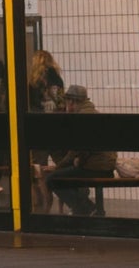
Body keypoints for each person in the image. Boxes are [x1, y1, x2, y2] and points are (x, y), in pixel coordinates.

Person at [46, 84, 116, 217]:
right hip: (105, 165)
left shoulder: (81, 117)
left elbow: (75, 151)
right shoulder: (93, 113)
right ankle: (88, 208)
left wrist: (57, 168)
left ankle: (85, 209)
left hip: (96, 167)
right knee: (69, 173)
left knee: (52, 179)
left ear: (71, 102)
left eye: (67, 102)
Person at [28, 47, 68, 210]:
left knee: (38, 167)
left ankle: (45, 200)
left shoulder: (32, 83)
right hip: (56, 128)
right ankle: (64, 200)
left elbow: (30, 107)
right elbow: (61, 104)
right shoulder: (57, 80)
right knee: (62, 163)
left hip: (38, 129)